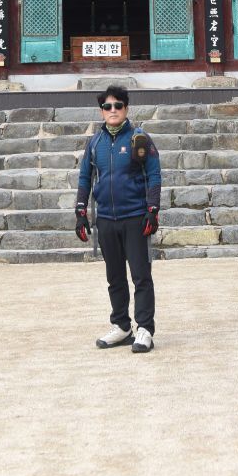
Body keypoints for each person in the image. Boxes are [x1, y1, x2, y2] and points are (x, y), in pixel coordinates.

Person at [75, 83, 161, 352]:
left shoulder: (139, 139)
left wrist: (152, 209)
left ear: (126, 108)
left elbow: (154, 175)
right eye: (107, 106)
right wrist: (80, 212)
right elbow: (85, 178)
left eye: (118, 105)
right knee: (114, 277)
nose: (113, 110)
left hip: (135, 217)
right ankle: (122, 326)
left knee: (141, 276)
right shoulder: (95, 143)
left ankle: (144, 329)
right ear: (101, 111)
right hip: (106, 219)